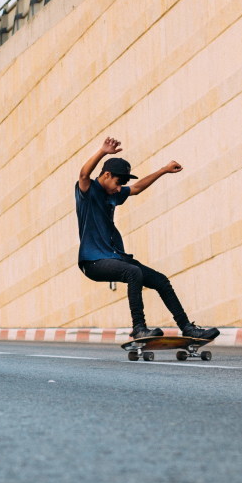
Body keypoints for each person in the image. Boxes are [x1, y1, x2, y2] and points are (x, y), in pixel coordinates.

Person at [75, 136, 220, 340]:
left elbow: (136, 188)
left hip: (115, 257)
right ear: (106, 175)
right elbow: (83, 173)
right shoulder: (88, 190)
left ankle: (187, 327)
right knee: (133, 272)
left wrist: (163, 170)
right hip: (93, 261)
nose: (119, 189)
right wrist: (103, 152)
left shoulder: (113, 194)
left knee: (161, 281)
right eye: (118, 183)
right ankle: (139, 327)